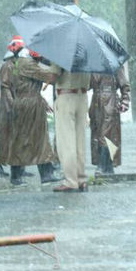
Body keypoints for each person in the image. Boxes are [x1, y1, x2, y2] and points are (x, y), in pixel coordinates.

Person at [5, 48, 59, 186]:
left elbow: (28, 86)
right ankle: (22, 176)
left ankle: (39, 174)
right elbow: (50, 77)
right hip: (29, 104)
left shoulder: (20, 63)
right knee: (34, 138)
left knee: (31, 138)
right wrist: (58, 67)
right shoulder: (27, 64)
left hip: (27, 102)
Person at [48, 62, 92, 192]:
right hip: (82, 97)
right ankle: (81, 179)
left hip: (66, 96)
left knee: (66, 142)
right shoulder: (87, 52)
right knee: (80, 141)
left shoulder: (62, 51)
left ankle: (70, 181)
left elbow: (52, 76)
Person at [0, 36, 23, 177]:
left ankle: (19, 167)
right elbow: (5, 87)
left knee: (15, 137)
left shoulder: (15, 65)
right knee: (8, 138)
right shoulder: (8, 66)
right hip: (8, 108)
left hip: (12, 105)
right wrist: (12, 106)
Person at [89, 66, 131, 176]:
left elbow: (124, 85)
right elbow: (87, 84)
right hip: (96, 102)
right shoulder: (92, 64)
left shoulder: (114, 63)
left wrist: (125, 101)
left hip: (110, 102)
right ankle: (107, 166)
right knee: (98, 134)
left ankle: (102, 165)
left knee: (106, 133)